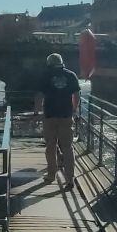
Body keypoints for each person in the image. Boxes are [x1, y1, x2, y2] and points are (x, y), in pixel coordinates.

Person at [37, 52, 80, 191]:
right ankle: (70, 178)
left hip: (49, 115)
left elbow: (39, 94)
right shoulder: (71, 75)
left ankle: (51, 175)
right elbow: (76, 94)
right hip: (66, 115)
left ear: (49, 63)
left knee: (50, 146)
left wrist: (37, 111)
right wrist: (74, 109)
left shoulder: (44, 75)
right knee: (68, 148)